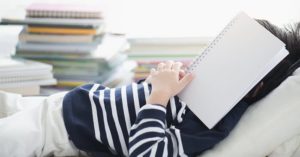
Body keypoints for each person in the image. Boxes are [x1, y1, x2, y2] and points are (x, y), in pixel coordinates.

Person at [0, 20, 299, 157]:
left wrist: (158, 97)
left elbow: (148, 150)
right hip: (65, 106)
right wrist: (158, 80)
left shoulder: (210, 123)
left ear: (252, 86)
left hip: (61, 129)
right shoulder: (202, 90)